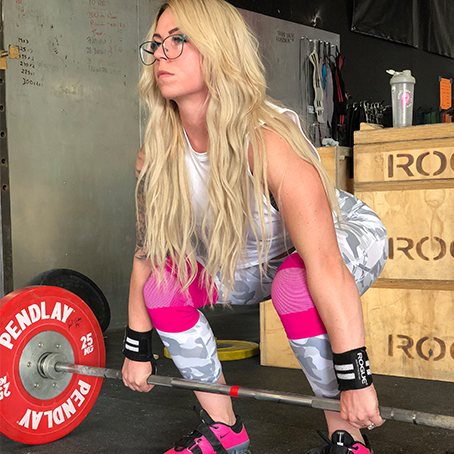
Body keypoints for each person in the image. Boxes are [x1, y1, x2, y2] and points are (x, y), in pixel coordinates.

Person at [121, 1, 388, 453]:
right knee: (164, 287)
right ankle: (223, 428)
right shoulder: (157, 152)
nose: (162, 54)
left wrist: (355, 376)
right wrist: (135, 347)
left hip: (339, 244)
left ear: (219, 48)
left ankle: (346, 433)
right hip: (245, 260)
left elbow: (323, 262)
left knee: (294, 283)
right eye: (157, 44)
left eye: (179, 40)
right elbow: (148, 252)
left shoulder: (268, 141)